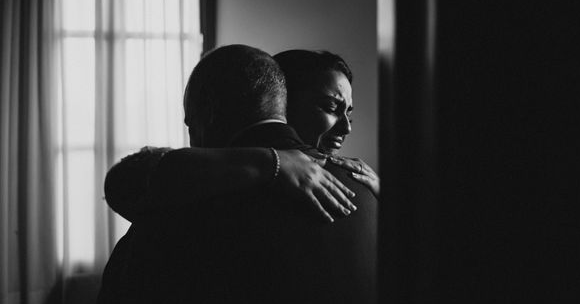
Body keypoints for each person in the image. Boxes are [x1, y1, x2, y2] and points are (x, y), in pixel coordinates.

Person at [97, 45, 377, 304]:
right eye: (331, 107)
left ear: (210, 111)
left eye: (190, 124)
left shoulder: (194, 194)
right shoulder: (365, 189)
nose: (346, 127)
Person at [103, 49, 379, 228]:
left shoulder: (360, 185)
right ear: (282, 102)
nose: (346, 128)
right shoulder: (207, 179)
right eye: (331, 108)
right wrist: (272, 162)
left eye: (348, 114)